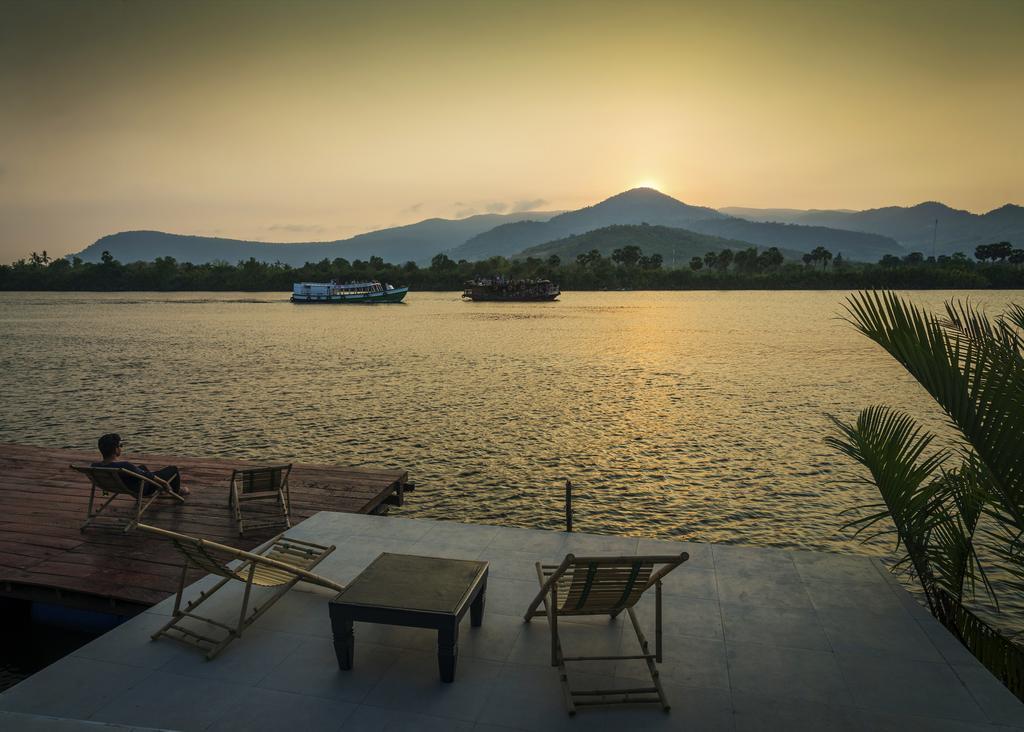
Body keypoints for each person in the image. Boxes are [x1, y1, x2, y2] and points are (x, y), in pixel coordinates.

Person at [92, 433, 190, 497]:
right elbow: (149, 476)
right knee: (173, 469)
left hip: (124, 487)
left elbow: (143, 473)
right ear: (116, 449)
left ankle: (158, 487)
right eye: (120, 446)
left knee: (142, 468)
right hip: (141, 489)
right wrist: (164, 483)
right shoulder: (124, 466)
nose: (121, 448)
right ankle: (177, 492)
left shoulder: (94, 466)